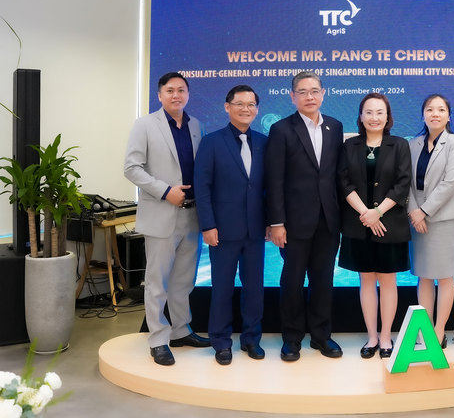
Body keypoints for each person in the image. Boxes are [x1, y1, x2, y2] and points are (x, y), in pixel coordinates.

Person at [124, 72, 209, 366]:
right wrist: (164, 192)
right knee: (157, 282)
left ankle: (180, 330)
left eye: (182, 90)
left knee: (184, 280)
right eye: (170, 90)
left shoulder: (196, 125)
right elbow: (131, 168)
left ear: (188, 94)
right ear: (160, 95)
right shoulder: (145, 125)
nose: (176, 95)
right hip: (162, 213)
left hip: (193, 214)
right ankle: (158, 338)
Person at [265, 71, 344, 362]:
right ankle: (292, 338)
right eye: (303, 92)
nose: (309, 97)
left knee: (323, 281)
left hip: (328, 221)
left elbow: (336, 176)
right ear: (292, 96)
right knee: (293, 282)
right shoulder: (282, 129)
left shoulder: (334, 127)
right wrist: (277, 223)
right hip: (294, 223)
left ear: (323, 93)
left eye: (314, 91)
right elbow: (274, 180)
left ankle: (321, 336)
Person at [194, 85, 268, 365]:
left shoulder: (264, 141)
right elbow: (202, 187)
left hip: (256, 230)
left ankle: (251, 339)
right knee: (222, 289)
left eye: (251, 104)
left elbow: (269, 187)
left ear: (257, 109)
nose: (245, 109)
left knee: (254, 288)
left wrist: (272, 222)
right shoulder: (212, 142)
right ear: (227, 107)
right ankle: (221, 342)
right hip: (222, 230)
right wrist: (207, 225)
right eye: (239, 104)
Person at [337, 93, 411, 359]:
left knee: (388, 281)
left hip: (389, 223)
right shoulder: (349, 145)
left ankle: (387, 336)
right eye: (369, 112)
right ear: (360, 116)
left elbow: (403, 184)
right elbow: (344, 182)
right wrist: (366, 214)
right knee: (366, 279)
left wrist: (378, 212)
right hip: (358, 224)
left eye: (380, 112)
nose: (374, 117)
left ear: (388, 117)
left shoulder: (400, 144)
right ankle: (371, 336)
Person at [407, 94, 454, 349]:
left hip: (443, 219)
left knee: (444, 277)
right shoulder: (413, 144)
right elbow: (405, 182)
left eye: (441, 109)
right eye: (430, 109)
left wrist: (425, 211)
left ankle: (439, 330)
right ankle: (425, 331)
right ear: (423, 114)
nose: (435, 114)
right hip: (416, 219)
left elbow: (451, 183)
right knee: (424, 276)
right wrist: (413, 211)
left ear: (448, 116)